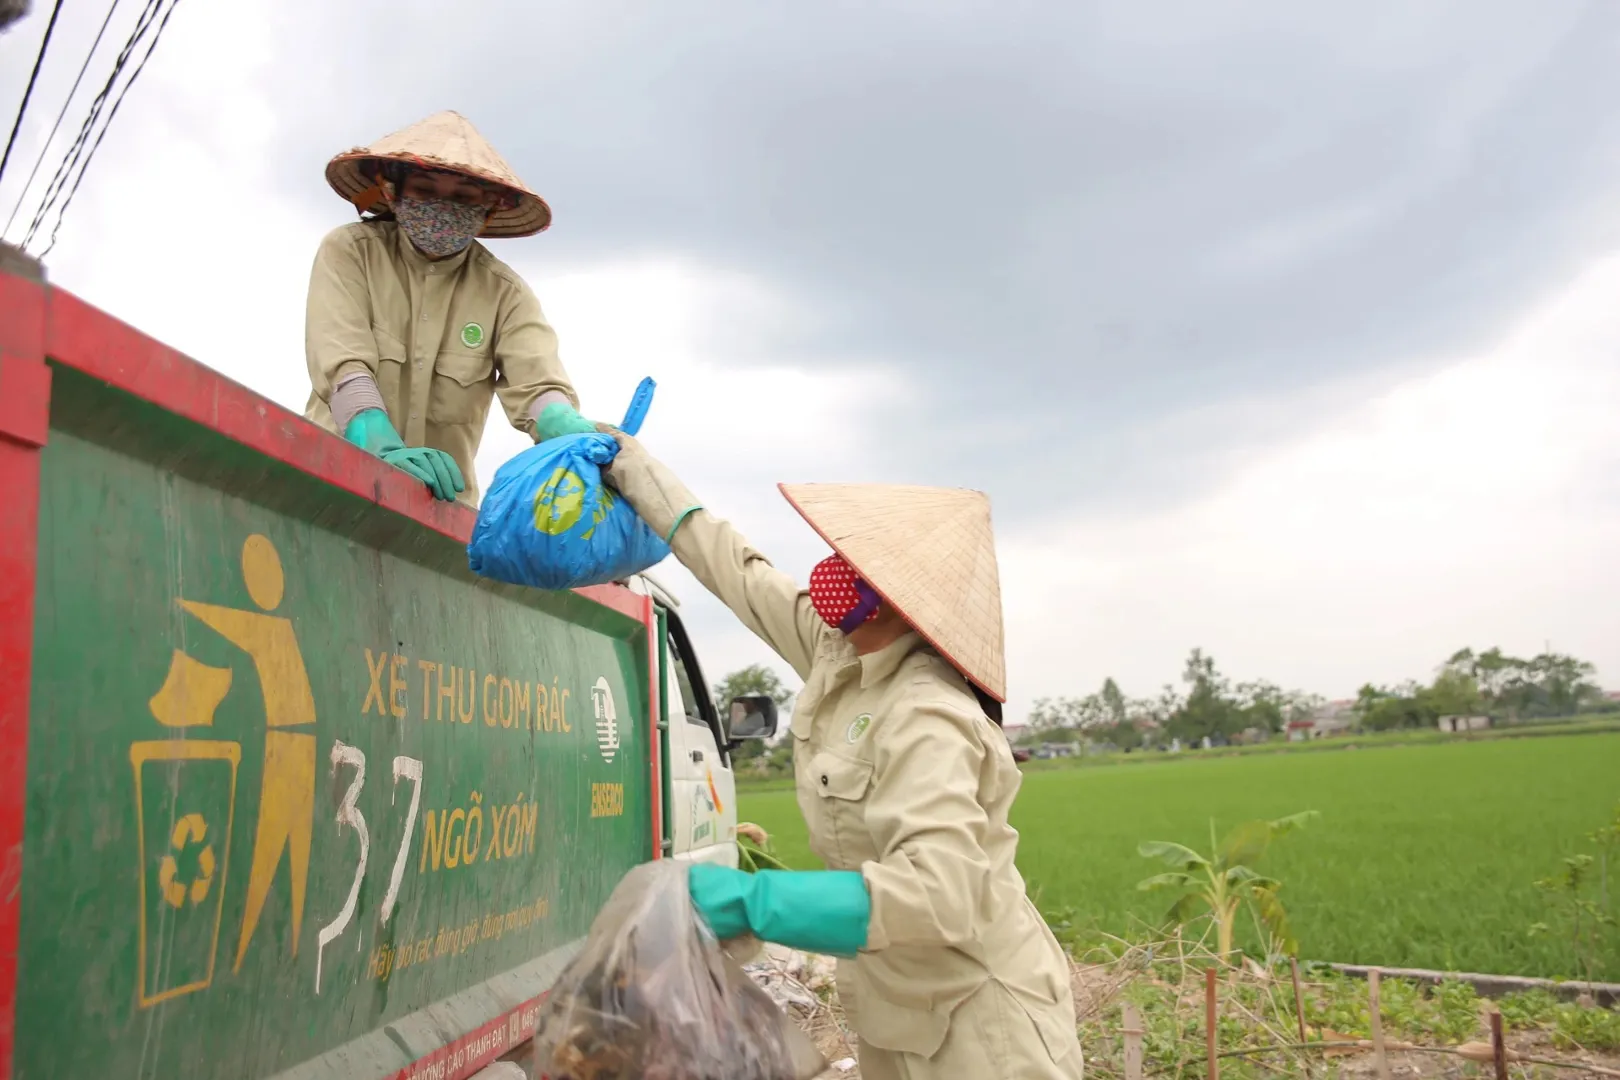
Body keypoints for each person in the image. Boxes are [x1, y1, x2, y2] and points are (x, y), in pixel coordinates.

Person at [598, 430, 1084, 1080]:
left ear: (895, 596)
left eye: (851, 563)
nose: (831, 568)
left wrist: (753, 901)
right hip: (898, 1013)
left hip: (980, 1034)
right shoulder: (839, 654)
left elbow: (940, 897)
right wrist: (631, 466)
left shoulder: (927, 715)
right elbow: (739, 571)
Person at [304, 111, 597, 506]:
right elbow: (341, 362)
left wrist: (569, 428)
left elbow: (538, 387)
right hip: (332, 483)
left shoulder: (504, 294)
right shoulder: (351, 252)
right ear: (393, 192)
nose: (443, 207)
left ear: (488, 208)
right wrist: (373, 435)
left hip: (438, 508)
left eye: (463, 198)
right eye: (425, 190)